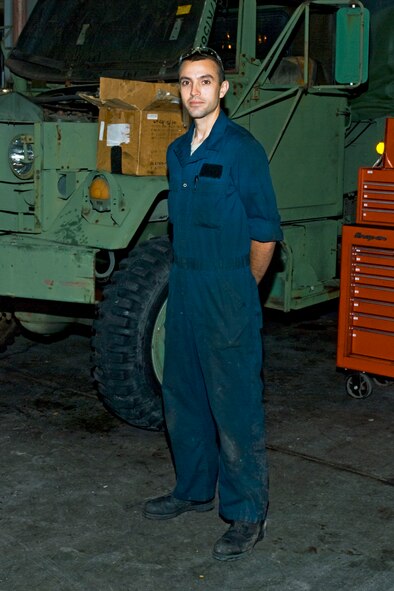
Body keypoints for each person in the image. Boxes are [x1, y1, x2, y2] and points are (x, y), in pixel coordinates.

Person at [143, 47, 283, 561]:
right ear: (179, 92)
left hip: (226, 286)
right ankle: (194, 490)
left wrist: (242, 288)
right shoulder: (177, 152)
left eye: (205, 81)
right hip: (183, 284)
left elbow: (266, 233)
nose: (195, 91)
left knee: (234, 402)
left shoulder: (242, 150)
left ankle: (247, 513)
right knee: (183, 394)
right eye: (186, 83)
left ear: (223, 89)